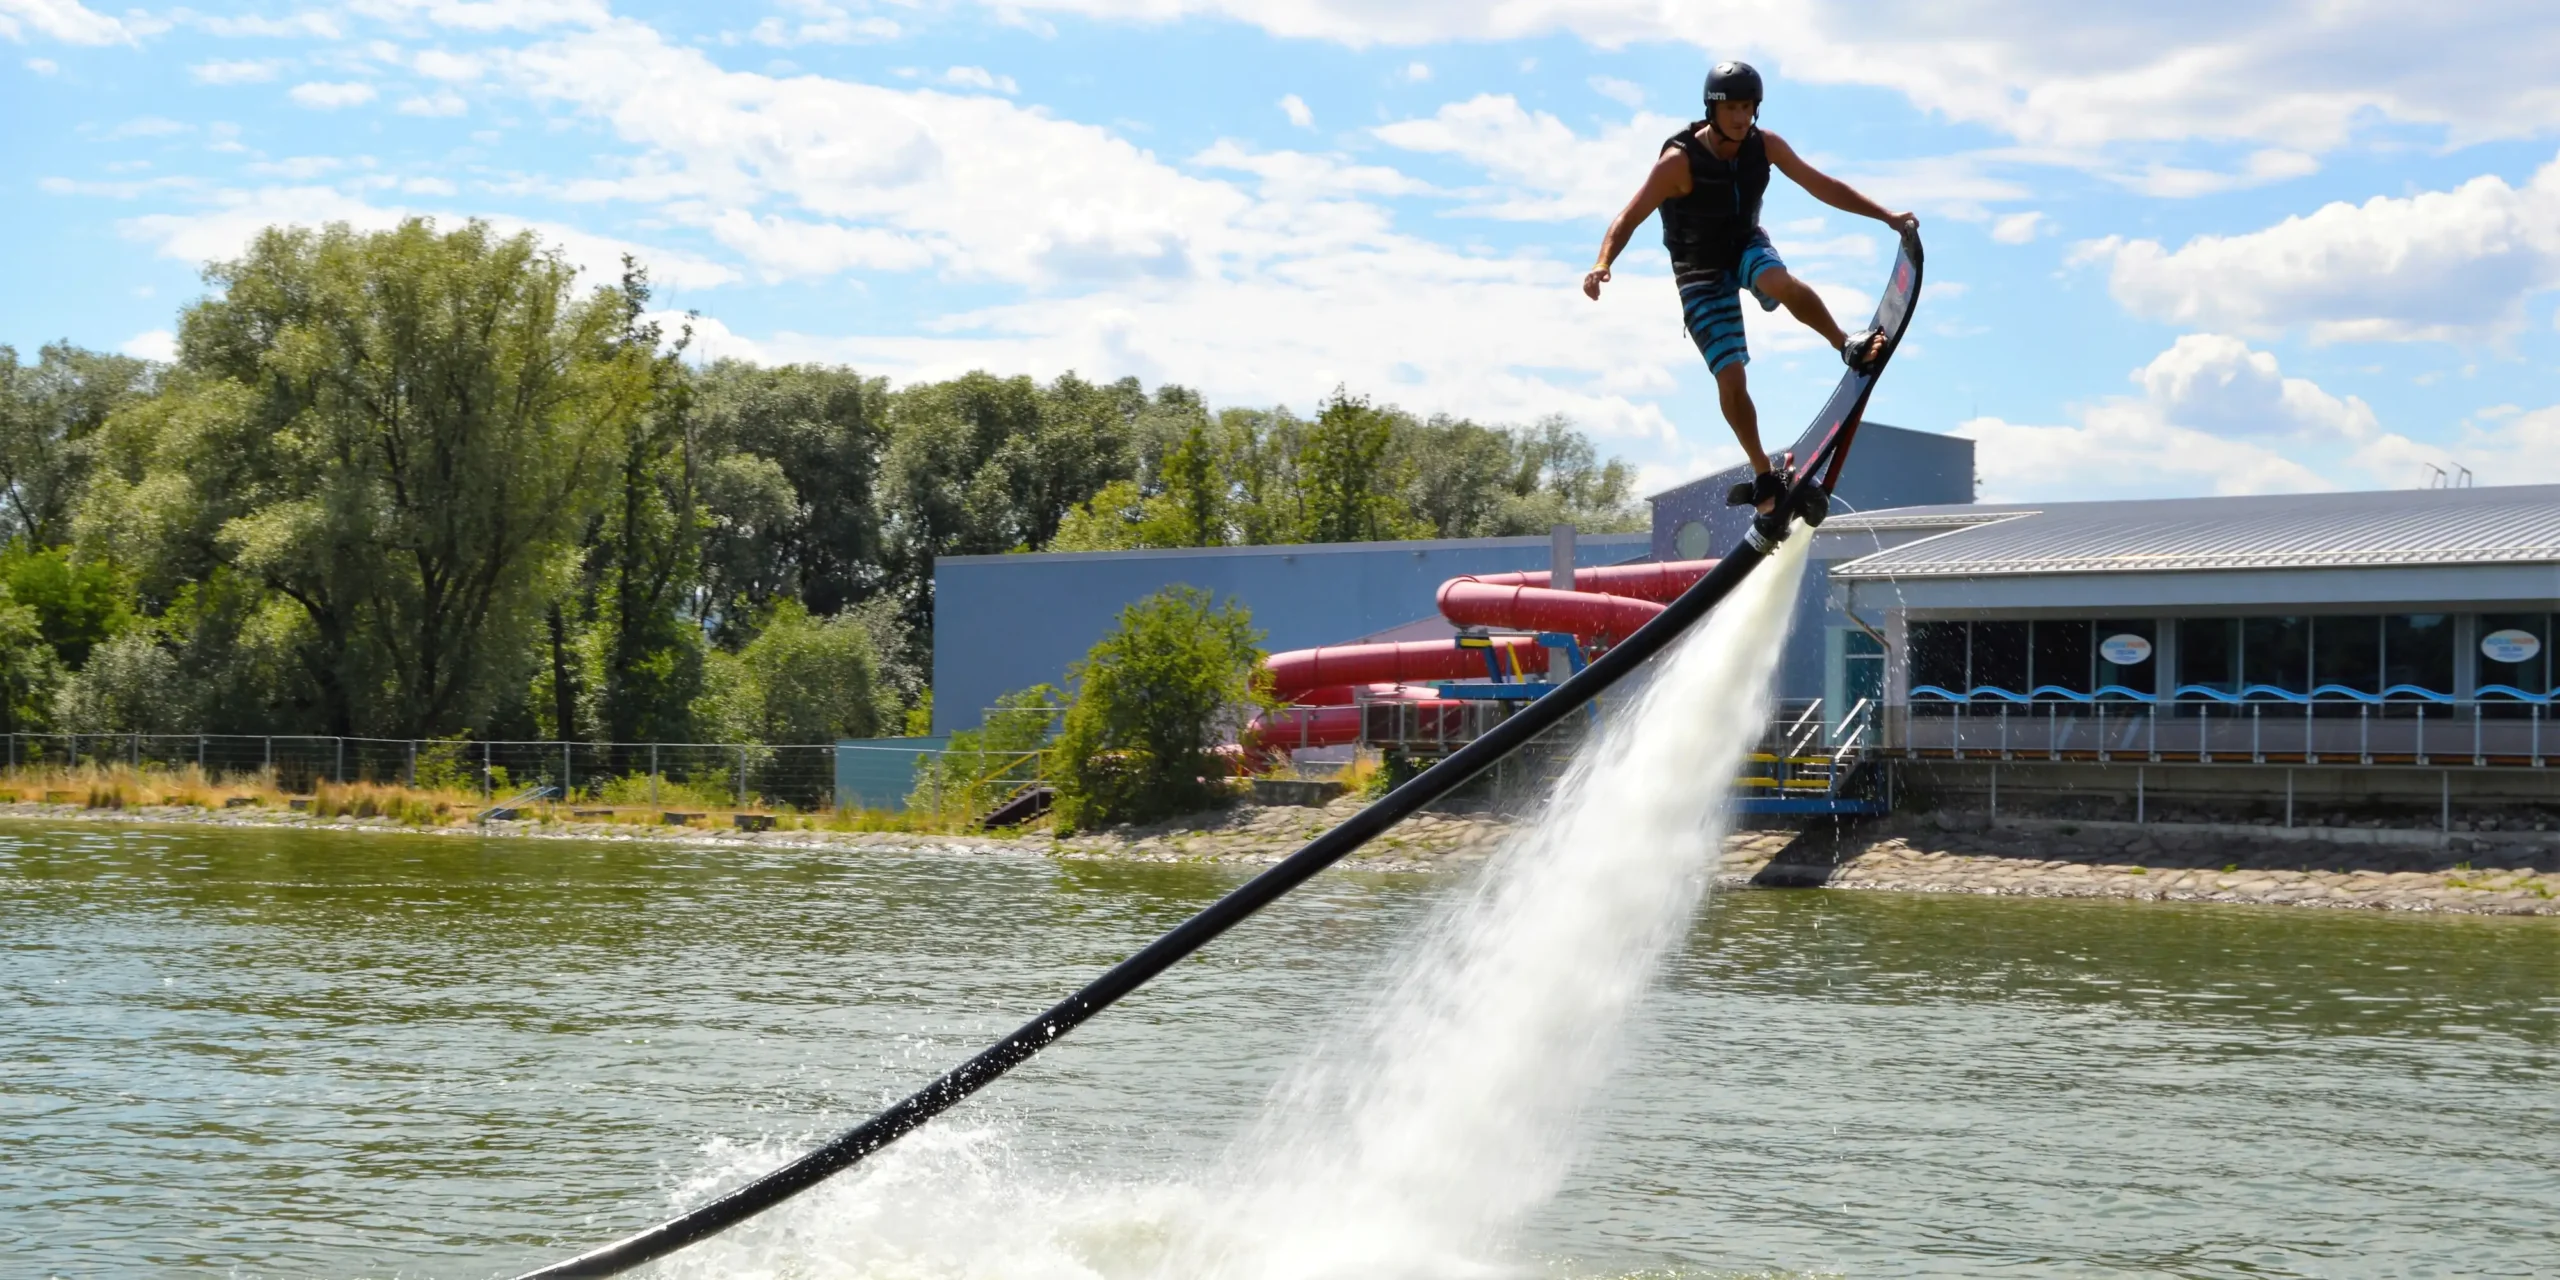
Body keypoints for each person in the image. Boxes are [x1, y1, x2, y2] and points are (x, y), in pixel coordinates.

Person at [1583, 61, 1918, 518]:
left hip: (1744, 244)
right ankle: (1765, 473)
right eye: (1733, 109)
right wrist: (1603, 263)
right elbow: (1629, 216)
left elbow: (1824, 186)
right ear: (1713, 110)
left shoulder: (1766, 146)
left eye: (1748, 108)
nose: (1742, 118)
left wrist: (1887, 217)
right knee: (1731, 375)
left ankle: (1845, 343)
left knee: (1776, 281)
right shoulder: (1678, 163)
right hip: (1698, 271)